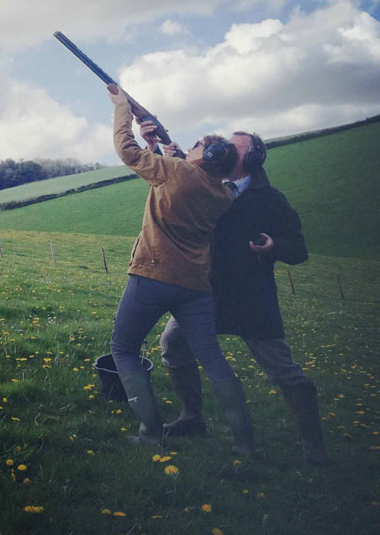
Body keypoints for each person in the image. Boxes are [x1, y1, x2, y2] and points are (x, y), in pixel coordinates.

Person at [140, 122, 328, 465]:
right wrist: (155, 146)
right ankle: (192, 418)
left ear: (252, 159)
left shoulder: (271, 200)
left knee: (285, 373)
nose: (223, 148)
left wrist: (274, 246)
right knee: (173, 346)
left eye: (234, 146)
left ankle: (313, 445)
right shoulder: (205, 182)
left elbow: (299, 249)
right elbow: (168, 180)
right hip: (202, 293)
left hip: (251, 299)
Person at [109, 85, 254, 453]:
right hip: (195, 285)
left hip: (153, 275)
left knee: (123, 348)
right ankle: (244, 441)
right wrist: (158, 147)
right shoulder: (222, 193)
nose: (189, 148)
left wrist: (122, 108)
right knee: (212, 358)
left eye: (197, 147)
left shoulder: (176, 172)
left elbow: (127, 152)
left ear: (207, 156)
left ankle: (151, 434)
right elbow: (173, 181)